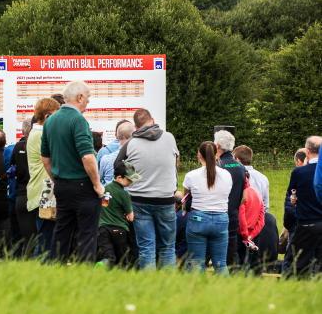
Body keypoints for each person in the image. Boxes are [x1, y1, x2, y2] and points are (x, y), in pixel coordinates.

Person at [41, 81, 105, 262]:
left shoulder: (50, 121)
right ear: (80, 97)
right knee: (87, 234)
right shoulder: (78, 120)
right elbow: (87, 157)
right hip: (83, 186)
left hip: (62, 186)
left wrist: (57, 179)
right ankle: (84, 273)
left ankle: (56, 269)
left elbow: (45, 158)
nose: (88, 102)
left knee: (62, 231)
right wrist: (97, 185)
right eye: (88, 98)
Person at [114, 108, 179, 271]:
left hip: (139, 200)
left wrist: (136, 177)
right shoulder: (169, 137)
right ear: (153, 120)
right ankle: (168, 283)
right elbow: (175, 162)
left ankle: (148, 283)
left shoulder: (131, 143)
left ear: (136, 127)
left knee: (146, 247)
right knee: (168, 247)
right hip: (165, 199)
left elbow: (117, 165)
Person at [182, 141, 233, 275]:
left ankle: (198, 287)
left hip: (198, 219)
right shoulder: (227, 175)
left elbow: (185, 199)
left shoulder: (191, 175)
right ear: (217, 154)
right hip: (221, 219)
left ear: (199, 155)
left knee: (196, 263)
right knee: (221, 264)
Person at [284, 136, 322, 277]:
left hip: (307, 223)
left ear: (307, 151)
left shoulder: (299, 172)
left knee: (295, 262)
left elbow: (292, 195)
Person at [26, 98, 60, 253]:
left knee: (46, 240)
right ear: (47, 116)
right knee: (46, 244)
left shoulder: (36, 133)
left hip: (41, 193)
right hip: (45, 195)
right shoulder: (42, 135)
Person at [214, 130, 247, 270]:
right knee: (230, 257)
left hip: (216, 215)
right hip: (233, 217)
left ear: (217, 146)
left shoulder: (216, 167)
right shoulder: (241, 168)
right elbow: (244, 197)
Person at [97, 161, 139, 268]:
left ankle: (102, 266)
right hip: (119, 230)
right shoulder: (124, 194)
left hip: (102, 229)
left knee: (108, 256)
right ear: (119, 177)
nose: (131, 182)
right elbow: (131, 217)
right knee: (123, 260)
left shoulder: (105, 188)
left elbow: (104, 206)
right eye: (129, 179)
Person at [238, 174, 265, 272]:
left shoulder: (241, 194)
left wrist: (245, 236)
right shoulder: (257, 193)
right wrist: (251, 235)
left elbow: (241, 217)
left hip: (240, 235)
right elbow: (261, 221)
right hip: (252, 237)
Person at [12, 120, 32, 254]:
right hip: (38, 194)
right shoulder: (41, 145)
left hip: (21, 194)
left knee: (26, 236)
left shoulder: (18, 146)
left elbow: (12, 167)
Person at [233, 145, 269, 210]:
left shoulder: (235, 175)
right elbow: (266, 205)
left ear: (237, 160)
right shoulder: (263, 177)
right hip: (259, 214)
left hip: (240, 214)